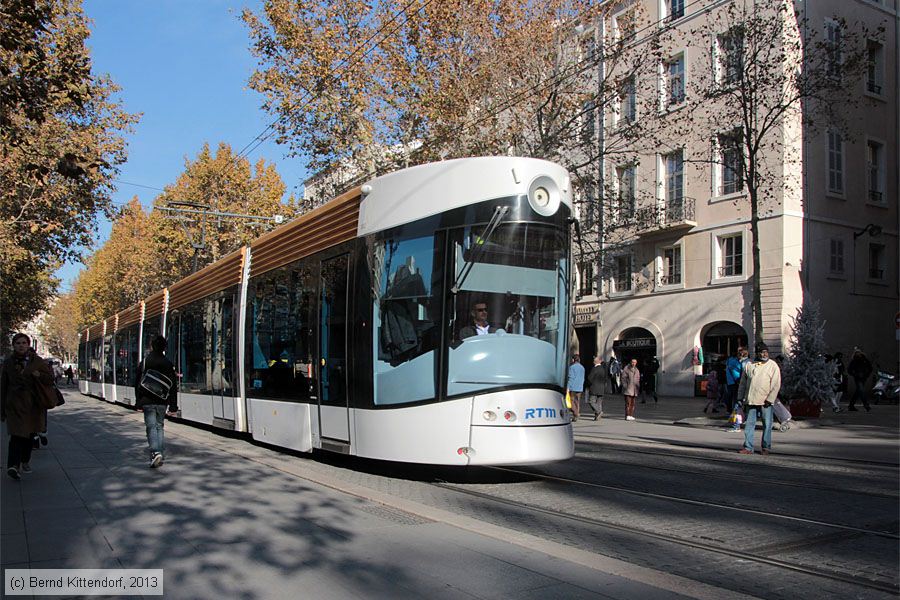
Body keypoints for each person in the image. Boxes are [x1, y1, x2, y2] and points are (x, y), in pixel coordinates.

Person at [1, 333, 51, 479]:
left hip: (33, 406)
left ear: (28, 345)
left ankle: (24, 460)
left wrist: (39, 375)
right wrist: (2, 408)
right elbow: (3, 386)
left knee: (29, 436)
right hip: (14, 406)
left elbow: (49, 379)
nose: (21, 345)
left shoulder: (38, 361)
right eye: (18, 343)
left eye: (23, 343)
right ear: (14, 346)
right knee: (16, 436)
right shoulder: (8, 363)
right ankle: (13, 466)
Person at [135, 335, 179, 468]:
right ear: (164, 347)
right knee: (159, 426)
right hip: (162, 401)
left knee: (151, 427)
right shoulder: (168, 363)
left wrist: (138, 402)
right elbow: (173, 386)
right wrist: (173, 406)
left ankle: (155, 452)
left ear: (152, 346)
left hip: (147, 400)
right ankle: (159, 451)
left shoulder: (145, 362)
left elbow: (137, 383)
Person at [737, 342, 781, 455]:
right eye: (761, 352)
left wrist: (770, 399)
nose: (764, 354)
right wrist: (740, 397)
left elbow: (776, 384)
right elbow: (742, 383)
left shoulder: (773, 365)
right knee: (749, 424)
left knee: (767, 425)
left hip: (766, 401)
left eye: (765, 352)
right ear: (756, 353)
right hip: (751, 400)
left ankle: (766, 447)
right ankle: (748, 447)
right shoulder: (749, 365)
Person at [847, 347, 872, 412]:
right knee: (861, 390)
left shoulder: (865, 360)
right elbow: (849, 370)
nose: (858, 354)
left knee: (858, 392)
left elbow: (870, 368)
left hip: (864, 378)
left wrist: (866, 374)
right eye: (856, 353)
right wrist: (855, 374)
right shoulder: (854, 361)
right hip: (858, 378)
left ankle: (851, 406)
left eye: (859, 352)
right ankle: (866, 405)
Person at [586, 354, 606, 420]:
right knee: (599, 403)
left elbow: (590, 378)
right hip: (601, 388)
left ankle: (599, 412)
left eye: (594, 361)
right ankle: (597, 416)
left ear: (595, 362)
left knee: (591, 401)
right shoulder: (603, 369)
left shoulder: (594, 369)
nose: (593, 362)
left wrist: (588, 385)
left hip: (594, 388)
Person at [567, 354, 585, 421]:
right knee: (577, 402)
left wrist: (568, 387)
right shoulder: (582, 367)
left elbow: (571, 378)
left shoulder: (572, 367)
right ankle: (576, 414)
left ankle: (575, 413)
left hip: (573, 387)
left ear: (573, 360)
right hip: (580, 387)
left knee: (571, 401)